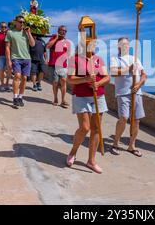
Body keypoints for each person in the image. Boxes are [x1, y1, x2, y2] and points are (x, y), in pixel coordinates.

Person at [66, 40, 110, 174]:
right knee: (85, 128)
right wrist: (85, 79)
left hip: (98, 96)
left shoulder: (98, 59)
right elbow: (70, 79)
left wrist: (98, 83)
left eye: (94, 43)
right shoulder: (75, 59)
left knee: (96, 128)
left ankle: (91, 161)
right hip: (81, 96)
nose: (93, 46)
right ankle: (73, 151)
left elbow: (107, 77)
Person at [109, 37, 148, 157]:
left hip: (136, 93)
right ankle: (115, 143)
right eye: (122, 44)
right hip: (122, 93)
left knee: (136, 120)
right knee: (124, 117)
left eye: (127, 44)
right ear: (119, 46)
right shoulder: (115, 59)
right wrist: (128, 69)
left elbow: (144, 75)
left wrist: (138, 84)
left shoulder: (135, 59)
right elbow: (114, 72)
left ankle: (132, 145)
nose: (125, 46)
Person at [5, 16, 36, 108]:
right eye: (20, 22)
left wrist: (29, 33)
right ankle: (15, 97)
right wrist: (9, 60)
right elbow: (7, 47)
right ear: (16, 22)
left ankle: (20, 97)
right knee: (17, 76)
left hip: (27, 58)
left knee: (25, 78)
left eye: (23, 22)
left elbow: (32, 44)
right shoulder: (10, 33)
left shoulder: (26, 33)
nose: (22, 23)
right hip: (16, 58)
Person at [47, 26, 72, 108]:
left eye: (65, 31)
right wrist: (56, 38)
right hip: (53, 64)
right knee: (55, 82)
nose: (64, 32)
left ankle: (63, 100)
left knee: (64, 81)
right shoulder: (53, 37)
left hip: (63, 65)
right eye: (62, 30)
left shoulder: (67, 42)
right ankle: (55, 98)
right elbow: (47, 46)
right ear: (58, 31)